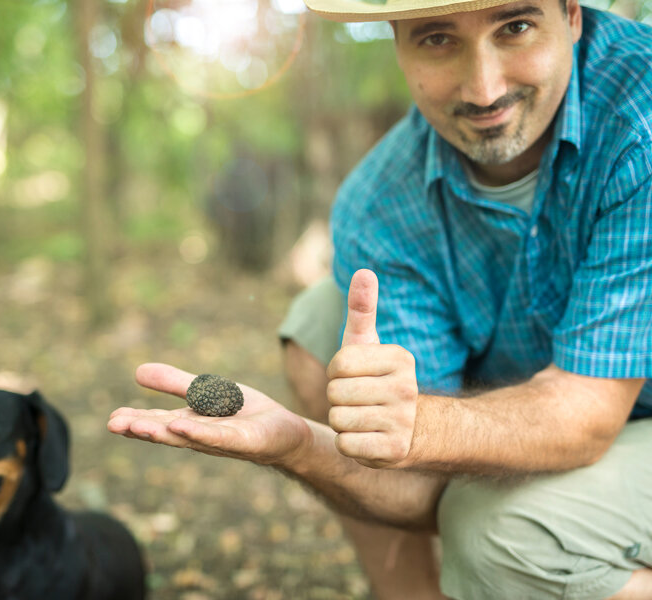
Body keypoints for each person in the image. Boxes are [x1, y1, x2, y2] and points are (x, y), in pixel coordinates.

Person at [109, 0, 652, 597]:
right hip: (548, 384)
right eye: (439, 39)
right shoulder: (378, 200)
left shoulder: (639, 116)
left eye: (515, 27)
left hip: (612, 401)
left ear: (572, 15)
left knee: (498, 537)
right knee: (323, 323)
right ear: (396, 41)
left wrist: (418, 426)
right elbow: (417, 489)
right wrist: (301, 445)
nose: (484, 86)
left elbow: (587, 415)